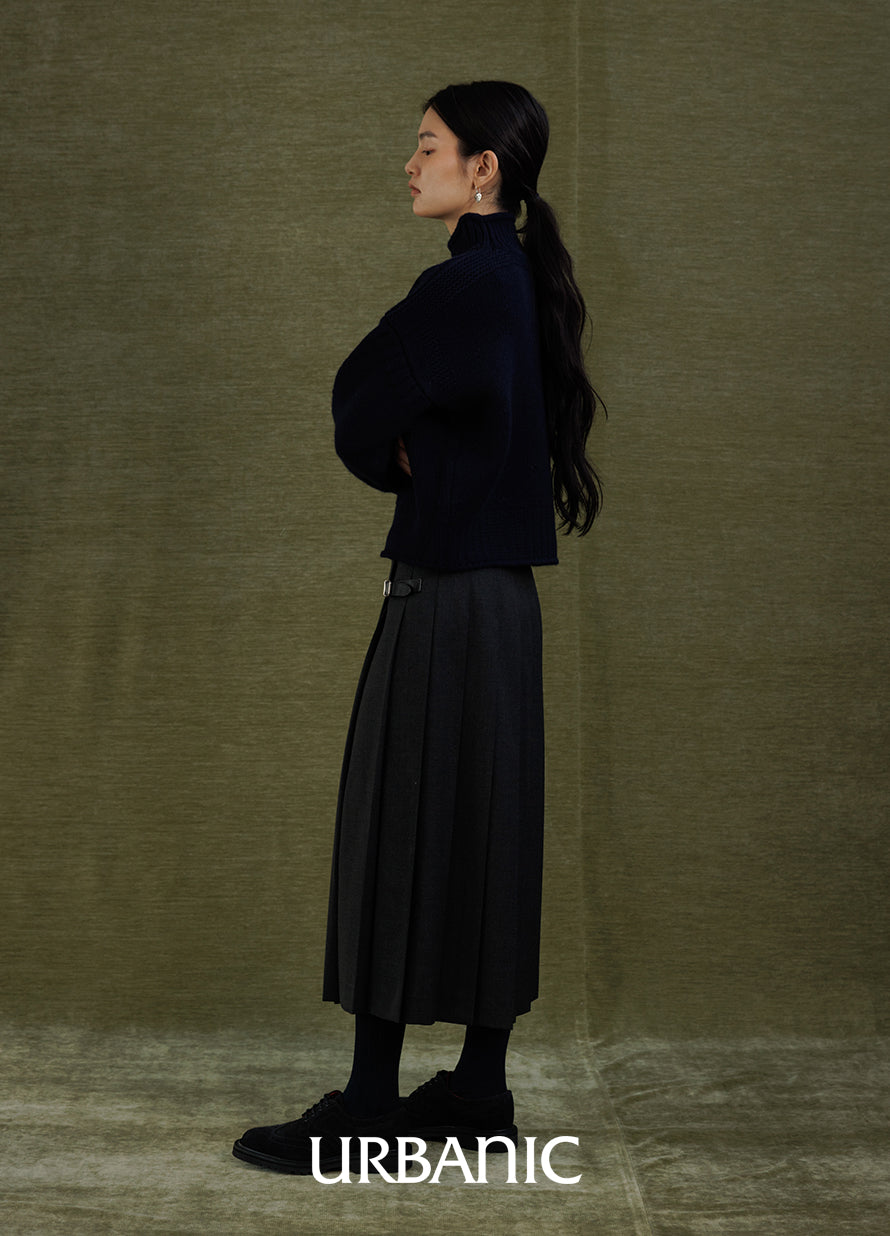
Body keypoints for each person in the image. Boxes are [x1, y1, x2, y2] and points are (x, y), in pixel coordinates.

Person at [233, 80, 603, 1175]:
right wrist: (426, 446)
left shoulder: (464, 285)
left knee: (396, 827)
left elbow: (356, 393)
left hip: (442, 595)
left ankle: (364, 1108)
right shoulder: (519, 278)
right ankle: (479, 1093)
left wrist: (399, 449)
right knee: (490, 834)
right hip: (505, 606)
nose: (411, 163)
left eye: (429, 146)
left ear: (483, 168)